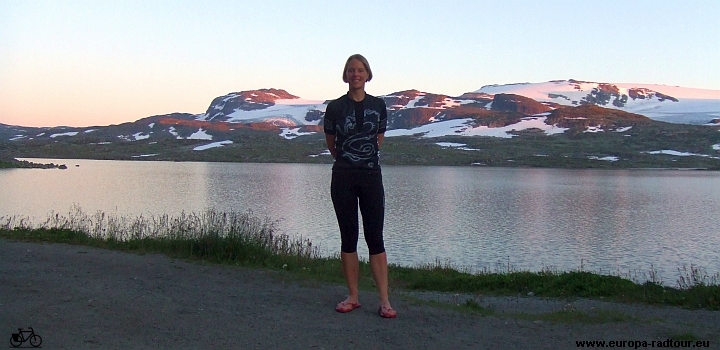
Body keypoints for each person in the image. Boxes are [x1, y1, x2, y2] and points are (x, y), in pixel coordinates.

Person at [323, 54, 396, 318]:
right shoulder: (334, 108)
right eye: (351, 70)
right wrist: (348, 160)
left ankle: (384, 301)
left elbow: (378, 139)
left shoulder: (379, 106)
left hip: (370, 177)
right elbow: (332, 144)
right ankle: (353, 296)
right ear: (346, 75)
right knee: (348, 237)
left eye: (361, 70)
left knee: (375, 238)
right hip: (343, 177)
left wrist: (363, 160)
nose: (356, 74)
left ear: (367, 74)